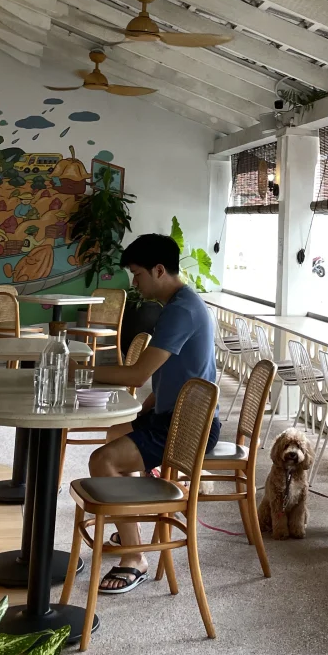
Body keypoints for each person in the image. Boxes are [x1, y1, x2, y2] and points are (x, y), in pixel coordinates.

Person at [88, 232, 219, 595]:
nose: (134, 282)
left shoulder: (181, 311)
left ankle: (134, 558)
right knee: (115, 434)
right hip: (174, 415)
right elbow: (171, 374)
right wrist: (146, 408)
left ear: (159, 270)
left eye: (137, 274)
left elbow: (137, 375)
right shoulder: (180, 304)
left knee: (102, 461)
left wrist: (83, 372)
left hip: (188, 426)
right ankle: (129, 522)